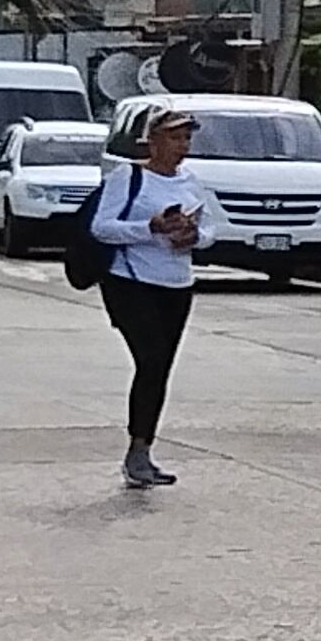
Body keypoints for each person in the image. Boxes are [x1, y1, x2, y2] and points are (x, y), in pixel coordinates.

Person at [88, 104, 215, 491]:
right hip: (130, 282)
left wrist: (193, 235)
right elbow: (102, 228)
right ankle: (137, 452)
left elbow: (212, 228)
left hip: (176, 284)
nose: (182, 145)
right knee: (151, 358)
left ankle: (142, 449)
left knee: (159, 369)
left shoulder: (191, 181)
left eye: (186, 138)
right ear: (152, 141)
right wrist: (152, 227)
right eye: (174, 137)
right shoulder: (127, 177)